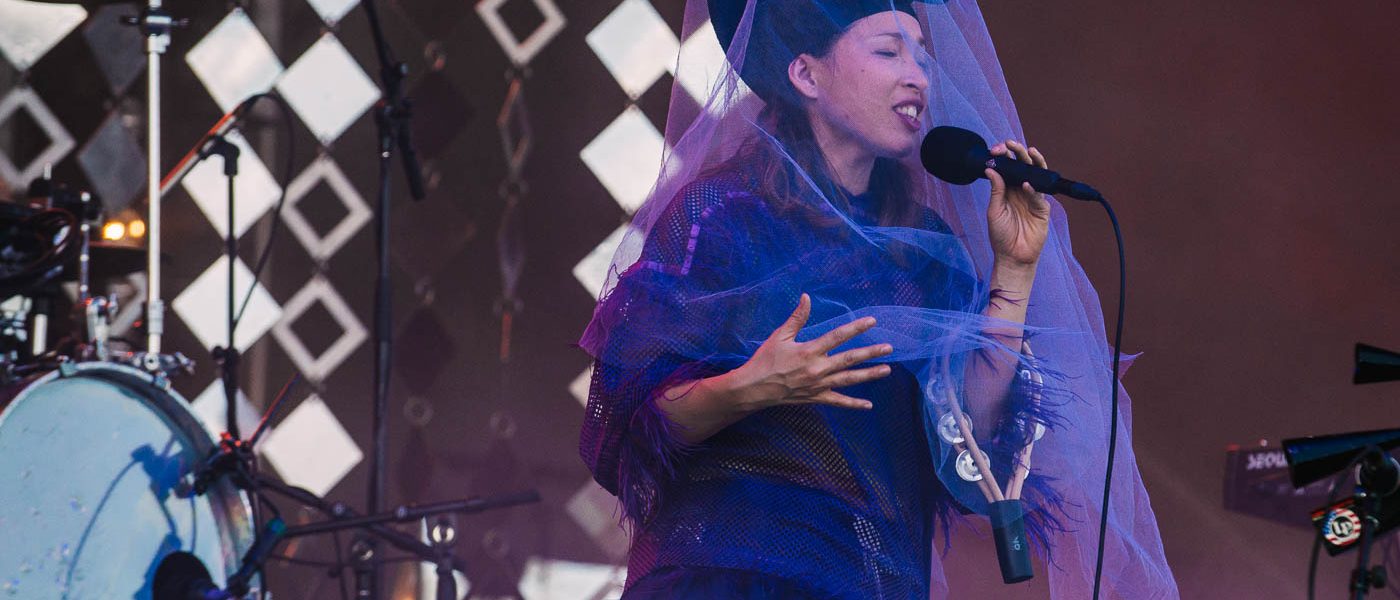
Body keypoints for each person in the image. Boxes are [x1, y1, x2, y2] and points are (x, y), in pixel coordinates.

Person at [578, 0, 1178, 597]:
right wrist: (749, 388)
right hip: (729, 573)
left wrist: (1015, 272)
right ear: (806, 74)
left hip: (874, 579)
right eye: (889, 51)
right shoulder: (722, 216)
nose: (918, 75)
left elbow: (968, 433)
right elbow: (628, 427)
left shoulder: (922, 249)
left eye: (922, 55)